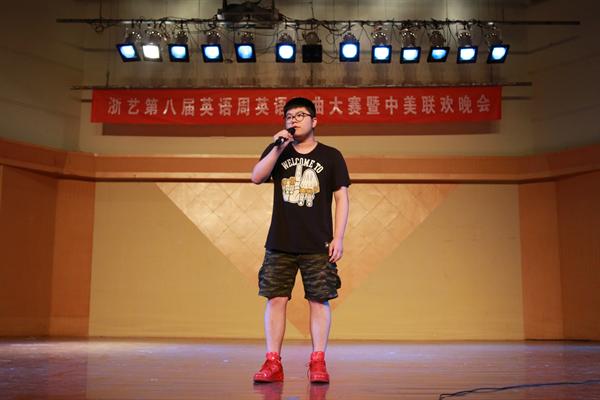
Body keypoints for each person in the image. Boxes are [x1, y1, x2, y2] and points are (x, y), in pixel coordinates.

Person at [250, 97, 350, 384]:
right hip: (280, 242)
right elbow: (256, 177)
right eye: (289, 116)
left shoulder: (331, 155)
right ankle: (273, 362)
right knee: (275, 299)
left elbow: (342, 197)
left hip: (318, 243)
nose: (293, 120)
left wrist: (339, 237)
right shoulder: (278, 150)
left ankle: (318, 362)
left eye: (300, 115)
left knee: (319, 300)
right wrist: (277, 148)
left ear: (314, 121)